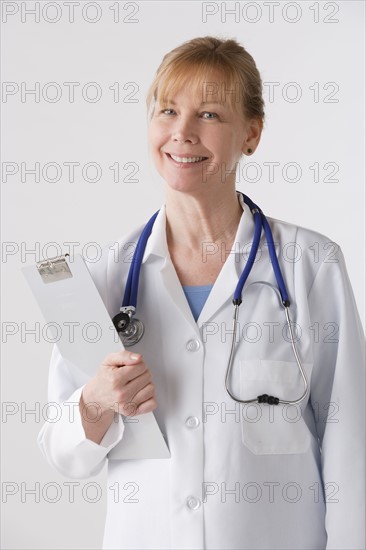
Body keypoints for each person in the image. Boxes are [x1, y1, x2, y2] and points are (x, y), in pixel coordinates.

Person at [38, 36, 365, 549]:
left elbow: (351, 445)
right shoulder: (103, 276)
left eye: (209, 115)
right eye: (167, 110)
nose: (181, 133)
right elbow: (63, 453)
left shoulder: (311, 266)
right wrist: (97, 403)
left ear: (252, 134)